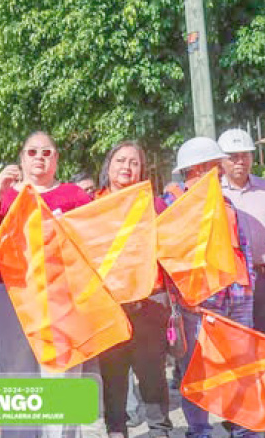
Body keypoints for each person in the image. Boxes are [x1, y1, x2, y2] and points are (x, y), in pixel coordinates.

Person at [0, 130, 92, 438]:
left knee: (62, 373)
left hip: (61, 295)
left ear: (56, 159)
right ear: (21, 159)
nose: (39, 158)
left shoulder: (74, 195)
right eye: (32, 152)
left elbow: (93, 237)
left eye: (47, 152)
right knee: (17, 373)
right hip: (13, 295)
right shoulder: (7, 196)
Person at [168, 137, 257, 438]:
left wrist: (248, 288)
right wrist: (183, 298)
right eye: (215, 165)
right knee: (198, 372)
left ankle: (242, 429)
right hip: (199, 301)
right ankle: (199, 431)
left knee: (240, 367)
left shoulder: (226, 202)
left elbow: (242, 247)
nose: (220, 170)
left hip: (237, 296)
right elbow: (169, 256)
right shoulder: (174, 203)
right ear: (197, 168)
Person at [95, 141, 172, 438]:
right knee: (113, 378)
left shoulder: (153, 205)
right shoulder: (92, 207)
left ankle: (160, 431)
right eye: (120, 160)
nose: (126, 167)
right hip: (108, 306)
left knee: (152, 377)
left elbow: (171, 247)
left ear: (141, 170)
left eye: (134, 162)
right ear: (108, 166)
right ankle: (116, 431)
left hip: (149, 302)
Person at [217, 128, 265, 438]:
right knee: (238, 356)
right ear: (221, 161)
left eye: (244, 155)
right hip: (232, 286)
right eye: (232, 157)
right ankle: (240, 421)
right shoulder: (213, 193)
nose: (240, 162)